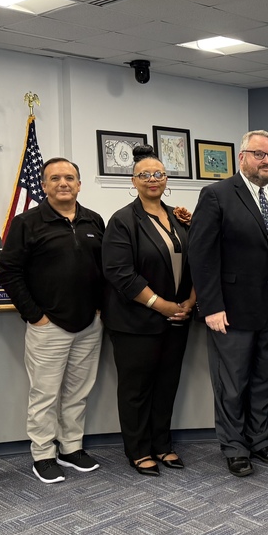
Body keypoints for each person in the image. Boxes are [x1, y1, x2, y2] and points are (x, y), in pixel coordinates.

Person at [189, 130, 268, 477]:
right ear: (242, 157)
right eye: (259, 154)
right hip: (231, 310)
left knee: (266, 380)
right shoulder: (217, 195)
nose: (266, 161)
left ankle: (260, 440)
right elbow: (201, 255)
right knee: (232, 384)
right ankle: (235, 447)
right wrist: (210, 306)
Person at [0, 157, 106, 484]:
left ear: (79, 184)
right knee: (44, 395)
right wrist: (36, 316)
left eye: (69, 178)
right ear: (44, 185)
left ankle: (71, 448)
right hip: (49, 326)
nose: (63, 183)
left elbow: (104, 269)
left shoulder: (94, 220)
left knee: (78, 392)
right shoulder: (27, 223)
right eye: (55, 178)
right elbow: (9, 272)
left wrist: (99, 308)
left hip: (89, 324)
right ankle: (43, 454)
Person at [102, 145, 196, 477]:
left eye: (158, 174)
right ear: (134, 181)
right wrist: (161, 304)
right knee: (137, 390)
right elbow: (119, 273)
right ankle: (139, 450)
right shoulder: (123, 221)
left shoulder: (180, 218)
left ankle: (162, 445)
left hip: (178, 319)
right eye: (145, 175)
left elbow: (198, 262)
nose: (152, 179)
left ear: (166, 179)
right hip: (135, 322)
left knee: (166, 386)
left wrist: (190, 302)